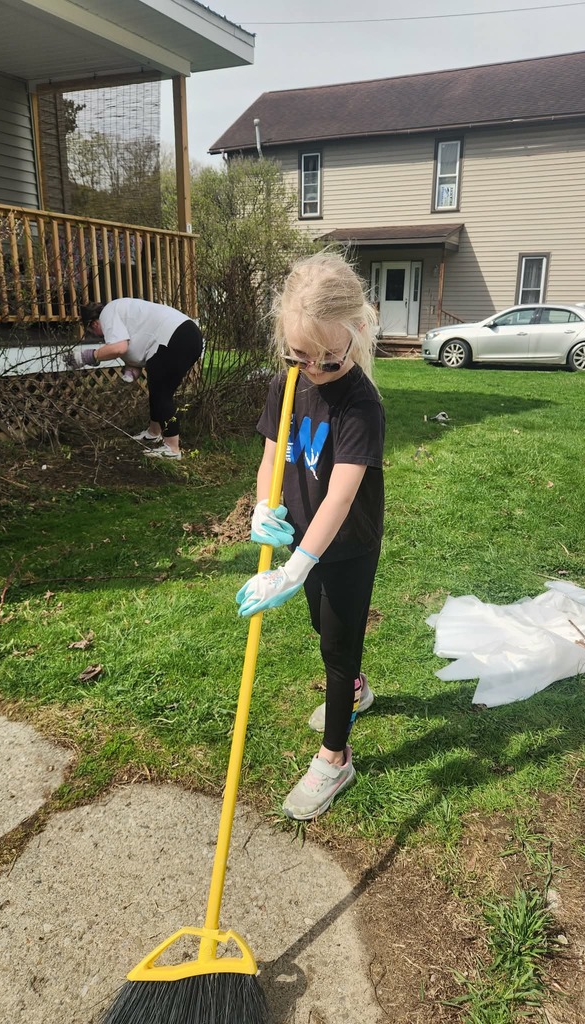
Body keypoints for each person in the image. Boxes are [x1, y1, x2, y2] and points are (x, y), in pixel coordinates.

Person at [236, 252, 385, 821]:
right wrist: (262, 507)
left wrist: (295, 566)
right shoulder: (287, 380)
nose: (313, 369)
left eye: (327, 358)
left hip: (346, 542)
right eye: (300, 355)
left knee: (337, 647)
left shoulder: (361, 403)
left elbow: (343, 495)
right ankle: (356, 689)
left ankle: (335, 757)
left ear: (356, 331)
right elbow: (272, 454)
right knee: (320, 624)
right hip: (299, 532)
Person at [69, 298, 204, 461]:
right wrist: (133, 366)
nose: (100, 338)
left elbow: (119, 348)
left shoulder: (107, 314)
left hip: (176, 336)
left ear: (94, 324)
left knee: (162, 393)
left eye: (93, 333)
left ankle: (172, 448)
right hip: (187, 335)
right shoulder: (119, 311)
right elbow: (136, 346)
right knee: (157, 387)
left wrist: (87, 356)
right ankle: (154, 433)